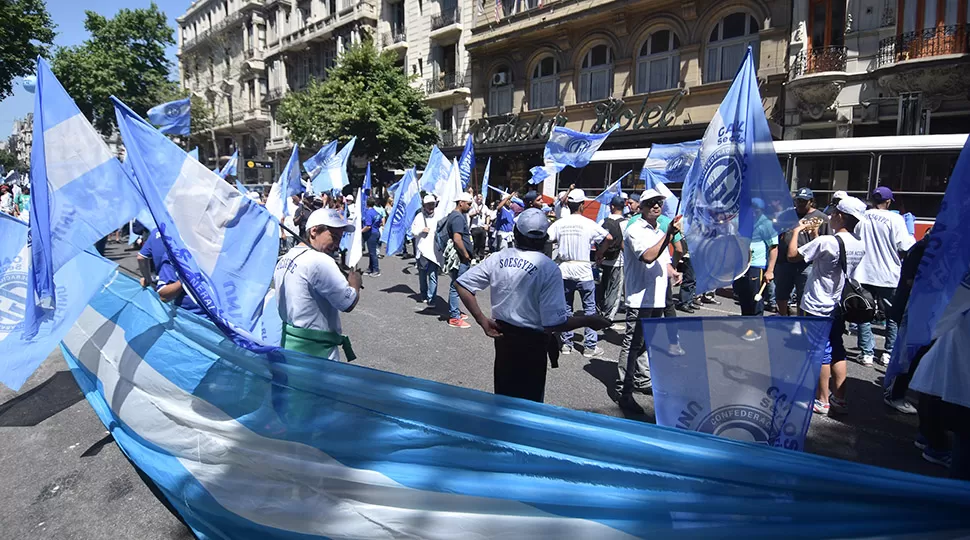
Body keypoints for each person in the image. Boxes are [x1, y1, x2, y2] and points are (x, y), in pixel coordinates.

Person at [456, 209, 611, 402]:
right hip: (533, 344)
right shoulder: (548, 268)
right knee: (529, 403)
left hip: (504, 340)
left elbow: (463, 284)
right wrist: (589, 320)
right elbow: (553, 323)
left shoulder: (499, 257)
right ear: (544, 238)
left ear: (516, 232)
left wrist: (482, 321)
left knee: (503, 398)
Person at [786, 196, 867, 416]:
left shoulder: (827, 242)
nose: (830, 216)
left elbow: (793, 255)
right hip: (838, 303)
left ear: (841, 216)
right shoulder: (858, 244)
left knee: (819, 351)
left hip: (816, 303)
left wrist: (795, 231)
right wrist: (814, 235)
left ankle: (822, 400)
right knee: (837, 348)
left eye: (833, 213)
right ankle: (839, 398)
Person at [613, 189, 682, 413]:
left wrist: (672, 270)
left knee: (647, 342)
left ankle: (642, 380)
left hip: (657, 297)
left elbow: (663, 259)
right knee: (632, 345)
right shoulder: (635, 230)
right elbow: (649, 257)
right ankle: (624, 391)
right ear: (640, 207)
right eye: (651, 203)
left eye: (659, 203)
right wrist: (669, 235)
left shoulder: (658, 230)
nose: (656, 206)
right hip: (639, 299)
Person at [275, 208, 362, 361]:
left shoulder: (285, 258)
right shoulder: (320, 260)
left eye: (340, 238)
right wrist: (355, 284)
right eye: (333, 236)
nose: (336, 244)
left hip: (288, 346)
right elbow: (347, 303)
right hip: (317, 353)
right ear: (314, 231)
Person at [854, 187, 916, 367]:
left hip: (862, 273)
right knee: (892, 315)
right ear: (888, 202)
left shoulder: (861, 217)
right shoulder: (895, 219)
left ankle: (866, 353)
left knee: (864, 313)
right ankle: (888, 353)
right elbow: (906, 246)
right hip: (889, 274)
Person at [547, 188, 612, 358]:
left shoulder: (560, 223)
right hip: (584, 270)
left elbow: (547, 237)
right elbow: (609, 238)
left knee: (566, 307)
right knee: (589, 308)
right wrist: (600, 253)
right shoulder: (589, 223)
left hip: (564, 269)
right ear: (582, 205)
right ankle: (590, 346)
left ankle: (566, 344)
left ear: (568, 204)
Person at [775, 187, 830, 322]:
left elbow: (827, 240)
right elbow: (777, 233)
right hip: (785, 261)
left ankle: (800, 320)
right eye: (798, 200)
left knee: (803, 294)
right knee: (781, 292)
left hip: (806, 263)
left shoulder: (821, 218)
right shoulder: (787, 215)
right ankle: (783, 317)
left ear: (811, 202)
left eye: (804, 201)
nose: (800, 204)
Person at [733, 198, 779, 338]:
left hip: (757, 266)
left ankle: (756, 330)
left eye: (756, 209)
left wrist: (770, 270)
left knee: (756, 299)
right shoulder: (741, 222)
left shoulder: (766, 224)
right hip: (742, 266)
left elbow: (773, 247)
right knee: (743, 297)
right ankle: (746, 326)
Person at [137, 228, 205, 316]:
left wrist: (148, 279)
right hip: (199, 313)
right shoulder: (190, 234)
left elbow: (141, 257)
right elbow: (164, 295)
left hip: (190, 312)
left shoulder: (158, 231)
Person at [444, 192, 475, 328]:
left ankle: (455, 311)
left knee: (457, 285)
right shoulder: (457, 217)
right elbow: (457, 239)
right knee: (457, 286)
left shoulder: (457, 215)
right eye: (468, 204)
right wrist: (465, 255)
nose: (470, 206)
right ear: (460, 202)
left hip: (461, 256)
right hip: (460, 257)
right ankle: (454, 317)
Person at [598, 196, 626, 330]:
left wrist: (600, 254)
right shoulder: (626, 223)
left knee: (602, 288)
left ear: (612, 206)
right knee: (615, 291)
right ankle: (608, 319)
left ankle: (599, 314)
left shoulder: (603, 221)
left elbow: (597, 240)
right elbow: (625, 245)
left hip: (603, 260)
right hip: (618, 261)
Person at [411, 194, 441, 310]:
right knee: (422, 275)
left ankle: (431, 298)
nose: (431, 207)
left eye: (432, 204)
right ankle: (423, 294)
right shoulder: (419, 217)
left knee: (433, 275)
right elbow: (412, 231)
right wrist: (421, 230)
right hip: (422, 251)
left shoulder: (439, 216)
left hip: (434, 252)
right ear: (424, 205)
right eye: (428, 205)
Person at [360, 197, 383, 277]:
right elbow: (380, 223)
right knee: (371, 252)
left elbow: (368, 226)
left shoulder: (368, 213)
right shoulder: (376, 212)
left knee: (373, 253)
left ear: (367, 204)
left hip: (371, 234)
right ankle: (370, 268)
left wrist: (361, 231)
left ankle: (376, 270)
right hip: (376, 232)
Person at [468, 193, 487, 261]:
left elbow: (488, 215)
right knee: (475, 243)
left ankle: (481, 256)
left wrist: (487, 224)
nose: (479, 198)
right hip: (474, 227)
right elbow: (469, 215)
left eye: (480, 197)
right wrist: (475, 213)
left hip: (482, 227)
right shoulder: (472, 206)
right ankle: (473, 257)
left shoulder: (485, 207)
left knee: (482, 243)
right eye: (478, 197)